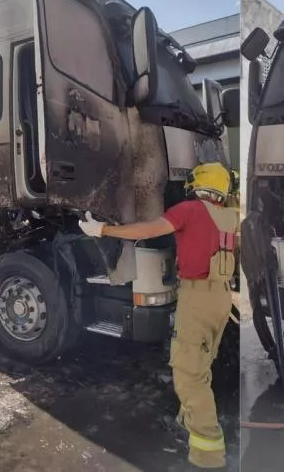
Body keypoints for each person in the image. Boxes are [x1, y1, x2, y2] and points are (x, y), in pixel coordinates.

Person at [78, 162, 239, 470]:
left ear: (197, 185)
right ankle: (189, 419)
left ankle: (208, 456)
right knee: (202, 364)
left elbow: (148, 229)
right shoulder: (230, 216)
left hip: (197, 298)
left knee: (189, 373)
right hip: (221, 297)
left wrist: (104, 230)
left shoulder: (191, 210)